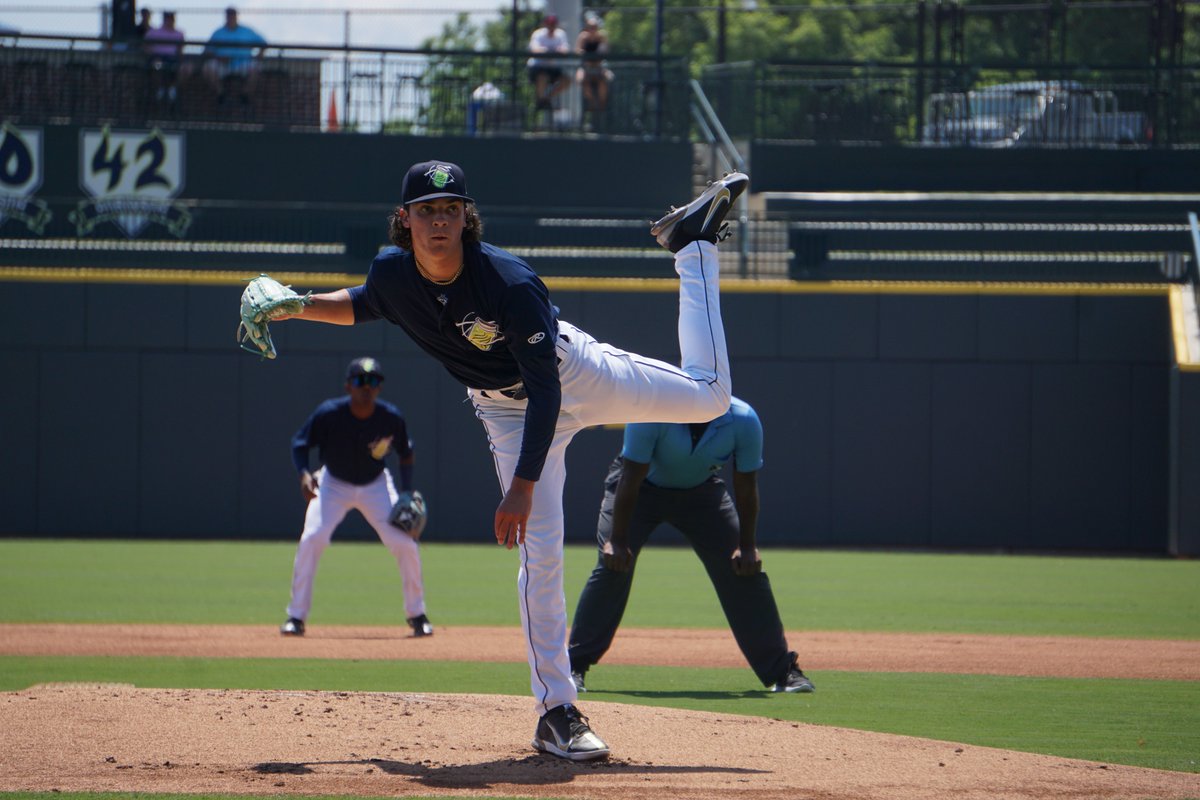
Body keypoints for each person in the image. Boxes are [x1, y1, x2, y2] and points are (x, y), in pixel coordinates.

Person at [267, 159, 747, 762]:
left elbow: (546, 390)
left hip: (572, 376)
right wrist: (295, 305)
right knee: (540, 551)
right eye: (426, 210)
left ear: (466, 217)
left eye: (450, 209)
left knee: (712, 397)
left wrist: (522, 485)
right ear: (405, 220)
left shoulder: (508, 281)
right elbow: (363, 303)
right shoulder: (392, 273)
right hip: (503, 411)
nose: (439, 220)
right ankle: (556, 712)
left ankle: (691, 246)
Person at [567, 397, 815, 695]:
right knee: (614, 565)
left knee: (743, 570)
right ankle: (573, 666)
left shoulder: (743, 419)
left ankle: (782, 671)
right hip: (640, 489)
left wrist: (747, 547)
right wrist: (617, 541)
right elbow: (631, 476)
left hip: (701, 493)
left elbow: (746, 485)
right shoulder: (652, 409)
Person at [280, 357, 434, 639]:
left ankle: (417, 614)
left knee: (405, 544)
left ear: (379, 387)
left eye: (373, 381)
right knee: (312, 538)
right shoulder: (329, 413)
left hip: (375, 485)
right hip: (332, 484)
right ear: (348, 385)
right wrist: (303, 473)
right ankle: (296, 616)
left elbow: (406, 452)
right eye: (361, 381)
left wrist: (407, 490)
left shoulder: (390, 417)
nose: (367, 387)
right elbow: (299, 444)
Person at [202, 6, 266, 101]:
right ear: (226, 17)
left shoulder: (247, 31)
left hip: (243, 64)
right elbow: (207, 51)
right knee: (207, 68)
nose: (231, 17)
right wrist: (218, 58)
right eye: (229, 15)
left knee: (257, 67)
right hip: (222, 65)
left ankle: (245, 95)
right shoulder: (218, 33)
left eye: (232, 15)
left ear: (236, 16)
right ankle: (220, 94)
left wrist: (260, 54)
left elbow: (263, 44)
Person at [527, 14, 570, 112]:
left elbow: (564, 50)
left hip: (552, 67)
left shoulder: (561, 34)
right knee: (543, 77)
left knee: (567, 81)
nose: (551, 26)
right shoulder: (538, 34)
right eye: (549, 24)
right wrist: (553, 51)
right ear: (545, 24)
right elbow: (535, 50)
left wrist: (546, 51)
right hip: (537, 67)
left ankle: (545, 99)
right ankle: (541, 100)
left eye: (553, 24)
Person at [575, 13, 612, 122]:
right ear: (587, 28)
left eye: (595, 27)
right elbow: (578, 51)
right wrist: (588, 59)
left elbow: (604, 53)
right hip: (586, 67)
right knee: (581, 80)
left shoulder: (602, 36)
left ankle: (602, 105)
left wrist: (594, 61)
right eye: (590, 27)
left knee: (605, 80)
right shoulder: (583, 37)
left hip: (599, 66)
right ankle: (592, 102)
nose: (592, 29)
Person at [144, 10, 185, 106]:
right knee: (156, 66)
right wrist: (152, 52)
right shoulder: (154, 32)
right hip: (159, 59)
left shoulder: (179, 34)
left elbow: (180, 50)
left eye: (171, 19)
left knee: (184, 69)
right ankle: (160, 89)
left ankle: (172, 89)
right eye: (167, 19)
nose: (169, 21)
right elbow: (145, 46)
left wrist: (180, 59)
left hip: (172, 60)